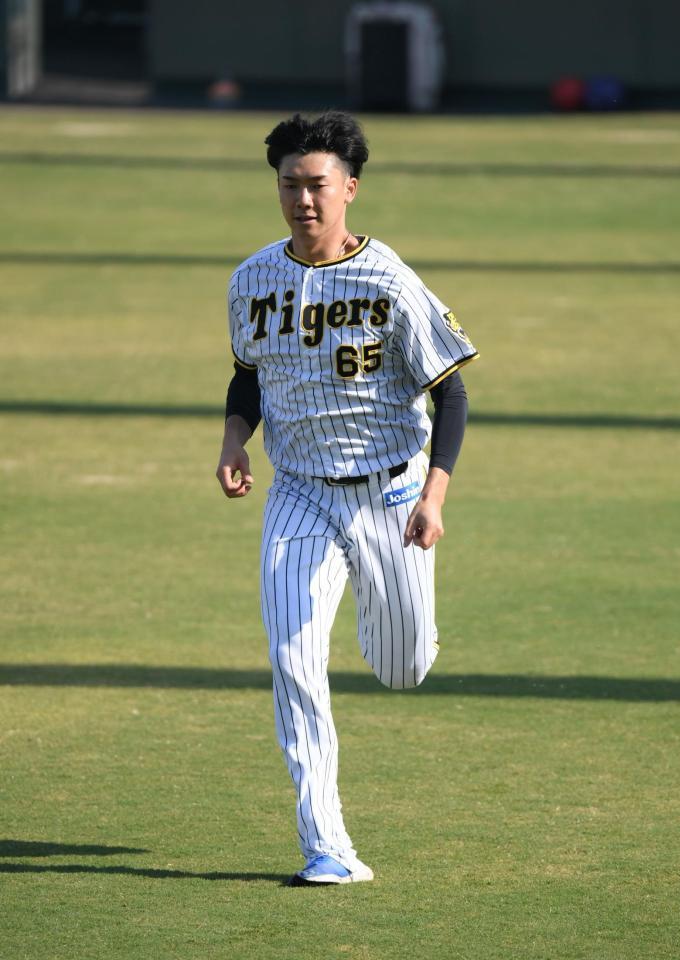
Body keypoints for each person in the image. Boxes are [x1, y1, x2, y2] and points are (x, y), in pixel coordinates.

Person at [216, 112, 478, 886]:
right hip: (297, 493)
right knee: (293, 660)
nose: (303, 198)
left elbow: (451, 392)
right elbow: (247, 372)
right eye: (290, 184)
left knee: (400, 668)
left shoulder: (388, 279)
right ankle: (326, 845)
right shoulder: (250, 279)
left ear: (349, 189)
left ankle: (407, 623)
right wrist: (234, 439)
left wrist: (434, 496)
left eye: (317, 184)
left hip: (390, 493)